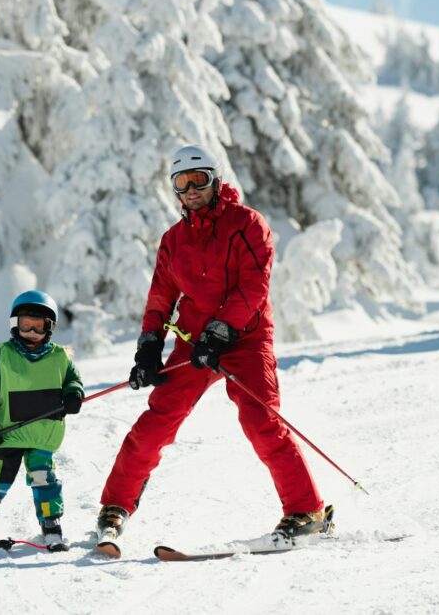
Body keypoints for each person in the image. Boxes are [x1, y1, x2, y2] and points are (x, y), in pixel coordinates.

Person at [96, 145, 325, 543]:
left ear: (215, 180)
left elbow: (254, 285)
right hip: (193, 344)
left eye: (198, 179)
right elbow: (160, 298)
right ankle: (116, 505)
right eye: (181, 184)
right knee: (156, 421)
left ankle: (307, 512)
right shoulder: (173, 240)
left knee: (261, 420)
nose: (191, 190)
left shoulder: (248, 224)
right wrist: (150, 345)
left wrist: (221, 332)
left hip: (246, 337)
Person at [0, 290, 85, 550]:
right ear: (15, 325)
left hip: (43, 433)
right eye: (25, 325)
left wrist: (73, 394)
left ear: (50, 327)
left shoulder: (59, 356)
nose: (32, 331)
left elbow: (72, 380)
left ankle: (51, 525)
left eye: (38, 326)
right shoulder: (2, 355)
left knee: (44, 478)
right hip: (10, 432)